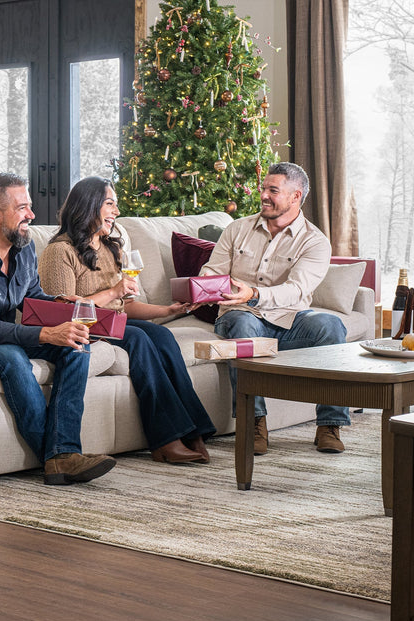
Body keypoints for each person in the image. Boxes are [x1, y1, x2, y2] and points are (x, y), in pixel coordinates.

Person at [0, 173, 116, 485]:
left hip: (0, 332)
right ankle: (58, 456)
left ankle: (62, 454)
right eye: (22, 208)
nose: (31, 215)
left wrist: (60, 304)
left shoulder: (24, 248)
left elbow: (31, 300)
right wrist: (46, 334)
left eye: (29, 206)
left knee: (77, 343)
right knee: (15, 359)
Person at [39, 176, 216, 464]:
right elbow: (62, 311)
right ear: (88, 206)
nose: (116, 212)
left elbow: (126, 308)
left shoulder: (110, 248)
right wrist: (112, 291)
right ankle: (165, 439)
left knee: (163, 336)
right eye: (110, 204)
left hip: (112, 322)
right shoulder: (59, 251)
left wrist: (169, 311)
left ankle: (194, 430)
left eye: (116, 205)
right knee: (139, 338)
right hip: (81, 326)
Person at [199, 162, 349, 455]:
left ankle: (330, 424)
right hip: (239, 315)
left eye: (273, 190)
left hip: (289, 318)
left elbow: (297, 290)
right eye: (263, 189)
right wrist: (206, 286)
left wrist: (253, 294)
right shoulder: (237, 229)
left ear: (295, 196)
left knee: (331, 326)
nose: (264, 196)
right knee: (244, 326)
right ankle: (254, 423)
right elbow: (211, 271)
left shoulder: (315, 242)